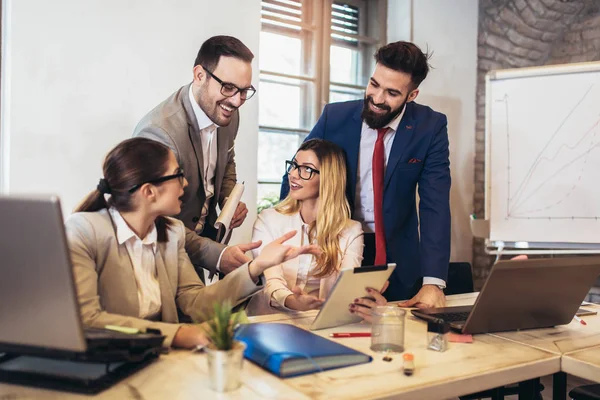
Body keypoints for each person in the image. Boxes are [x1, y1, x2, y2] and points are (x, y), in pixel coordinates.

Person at [66, 138, 318, 348]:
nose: (185, 183)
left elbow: (195, 303)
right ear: (149, 192)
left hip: (160, 364)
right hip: (106, 365)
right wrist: (176, 334)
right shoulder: (84, 231)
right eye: (178, 175)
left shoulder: (171, 232)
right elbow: (88, 319)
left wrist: (257, 266)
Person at [281, 41, 451, 307]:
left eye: (392, 93)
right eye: (374, 84)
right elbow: (298, 174)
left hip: (398, 260)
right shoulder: (334, 117)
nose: (377, 98)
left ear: (412, 95)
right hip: (336, 245)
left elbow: (435, 205)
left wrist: (433, 282)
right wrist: (287, 242)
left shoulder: (430, 127)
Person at [134, 35, 256, 279]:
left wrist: (228, 200)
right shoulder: (160, 132)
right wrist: (218, 255)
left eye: (244, 91)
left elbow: (226, 159)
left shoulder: (228, 113)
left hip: (198, 249)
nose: (236, 101)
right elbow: (158, 220)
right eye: (229, 87)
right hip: (160, 257)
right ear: (200, 75)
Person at [247, 139, 364, 315]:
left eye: (306, 169)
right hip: (271, 320)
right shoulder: (268, 220)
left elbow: (345, 288)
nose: (293, 174)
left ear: (328, 178)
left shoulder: (351, 231)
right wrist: (294, 302)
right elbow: (272, 282)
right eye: (294, 165)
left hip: (321, 322)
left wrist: (365, 293)